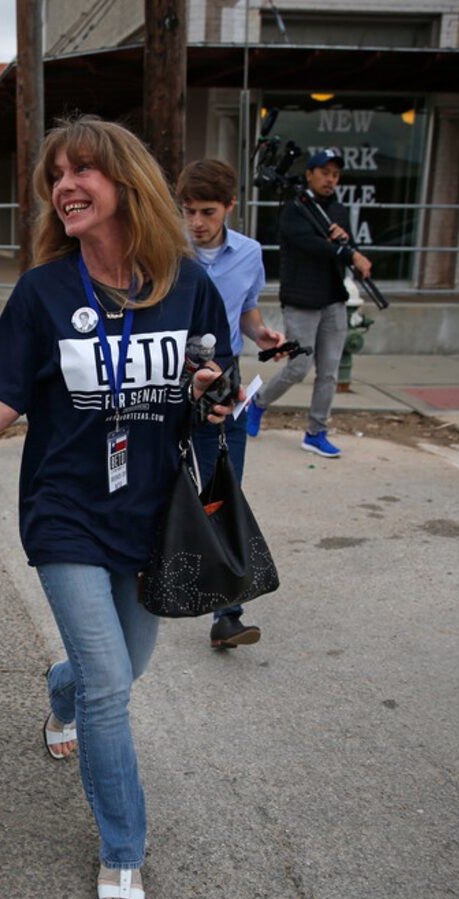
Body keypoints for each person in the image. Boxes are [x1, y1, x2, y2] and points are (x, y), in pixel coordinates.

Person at [0, 115, 235, 899]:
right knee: (114, 685)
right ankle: (123, 847)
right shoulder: (46, 293)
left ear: (126, 185)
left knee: (122, 665)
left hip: (152, 514)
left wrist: (213, 396)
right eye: (55, 176)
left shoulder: (187, 283)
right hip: (67, 511)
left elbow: (215, 391)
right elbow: (5, 398)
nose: (65, 186)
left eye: (83, 171)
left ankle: (61, 694)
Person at [176, 158, 286, 650]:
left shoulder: (250, 252)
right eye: (188, 211)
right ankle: (149, 576)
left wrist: (263, 333)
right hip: (172, 377)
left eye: (207, 212)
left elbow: (247, 311)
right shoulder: (169, 250)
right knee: (160, 483)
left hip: (227, 377)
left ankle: (228, 614)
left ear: (230, 208)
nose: (197, 222)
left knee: (225, 489)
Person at [244, 147, 372, 458]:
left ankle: (316, 432)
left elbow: (347, 251)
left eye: (335, 174)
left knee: (328, 372)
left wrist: (346, 244)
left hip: (333, 301)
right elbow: (309, 245)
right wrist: (341, 249)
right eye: (325, 172)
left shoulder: (338, 212)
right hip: (302, 300)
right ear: (310, 174)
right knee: (298, 368)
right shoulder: (295, 209)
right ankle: (257, 403)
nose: (330, 179)